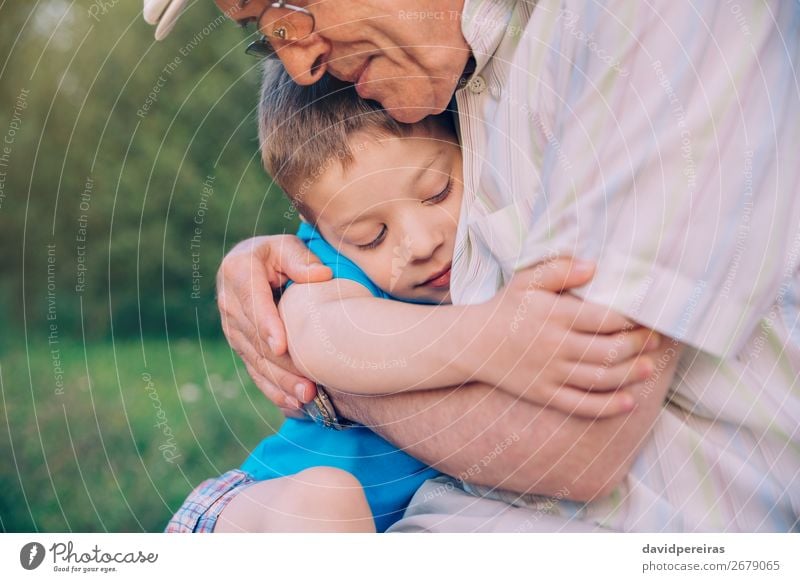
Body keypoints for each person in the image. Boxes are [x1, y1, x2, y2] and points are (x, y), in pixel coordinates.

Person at [150, 0, 800, 531]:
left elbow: (576, 445)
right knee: (323, 505)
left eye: (289, 9)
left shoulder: (630, 32)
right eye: (268, 37)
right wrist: (490, 336)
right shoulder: (445, 68)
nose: (303, 62)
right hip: (270, 512)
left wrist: (337, 387)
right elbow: (318, 323)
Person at [166, 60, 656, 533]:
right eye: (371, 235)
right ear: (321, 232)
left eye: (437, 192)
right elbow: (323, 335)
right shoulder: (329, 269)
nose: (420, 243)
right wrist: (491, 336)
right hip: (255, 516)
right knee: (327, 502)